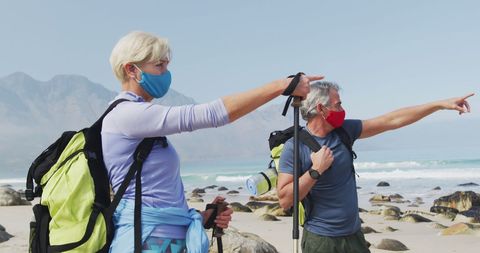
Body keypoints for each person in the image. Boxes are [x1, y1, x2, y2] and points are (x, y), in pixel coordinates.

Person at [102, 31, 321, 253]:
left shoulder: (138, 120)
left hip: (162, 241)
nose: (166, 73)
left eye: (167, 66)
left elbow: (155, 198)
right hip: (145, 243)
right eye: (159, 65)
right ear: (131, 69)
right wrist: (282, 85)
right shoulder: (127, 115)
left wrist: (204, 217)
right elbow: (211, 114)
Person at [276, 81, 474, 253]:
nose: (343, 109)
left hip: (354, 236)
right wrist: (315, 171)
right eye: (338, 105)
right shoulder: (295, 147)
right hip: (321, 240)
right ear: (322, 109)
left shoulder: (345, 131)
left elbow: (392, 120)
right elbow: (285, 200)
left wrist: (439, 105)